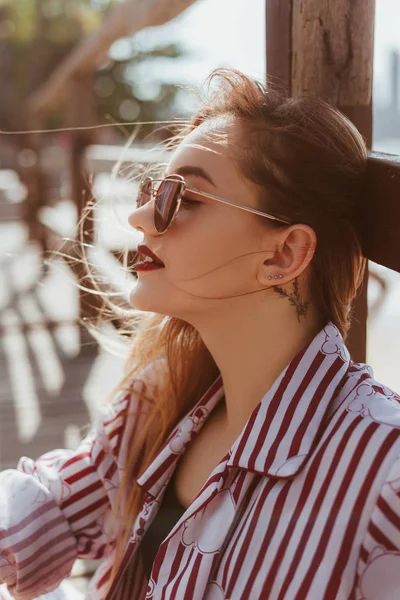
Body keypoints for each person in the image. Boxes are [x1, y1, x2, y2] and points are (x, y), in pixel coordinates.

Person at [1, 67, 400, 600]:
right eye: (152, 190)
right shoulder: (161, 400)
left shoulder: (383, 480)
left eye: (181, 198)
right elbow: (49, 505)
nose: (142, 216)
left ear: (283, 254)